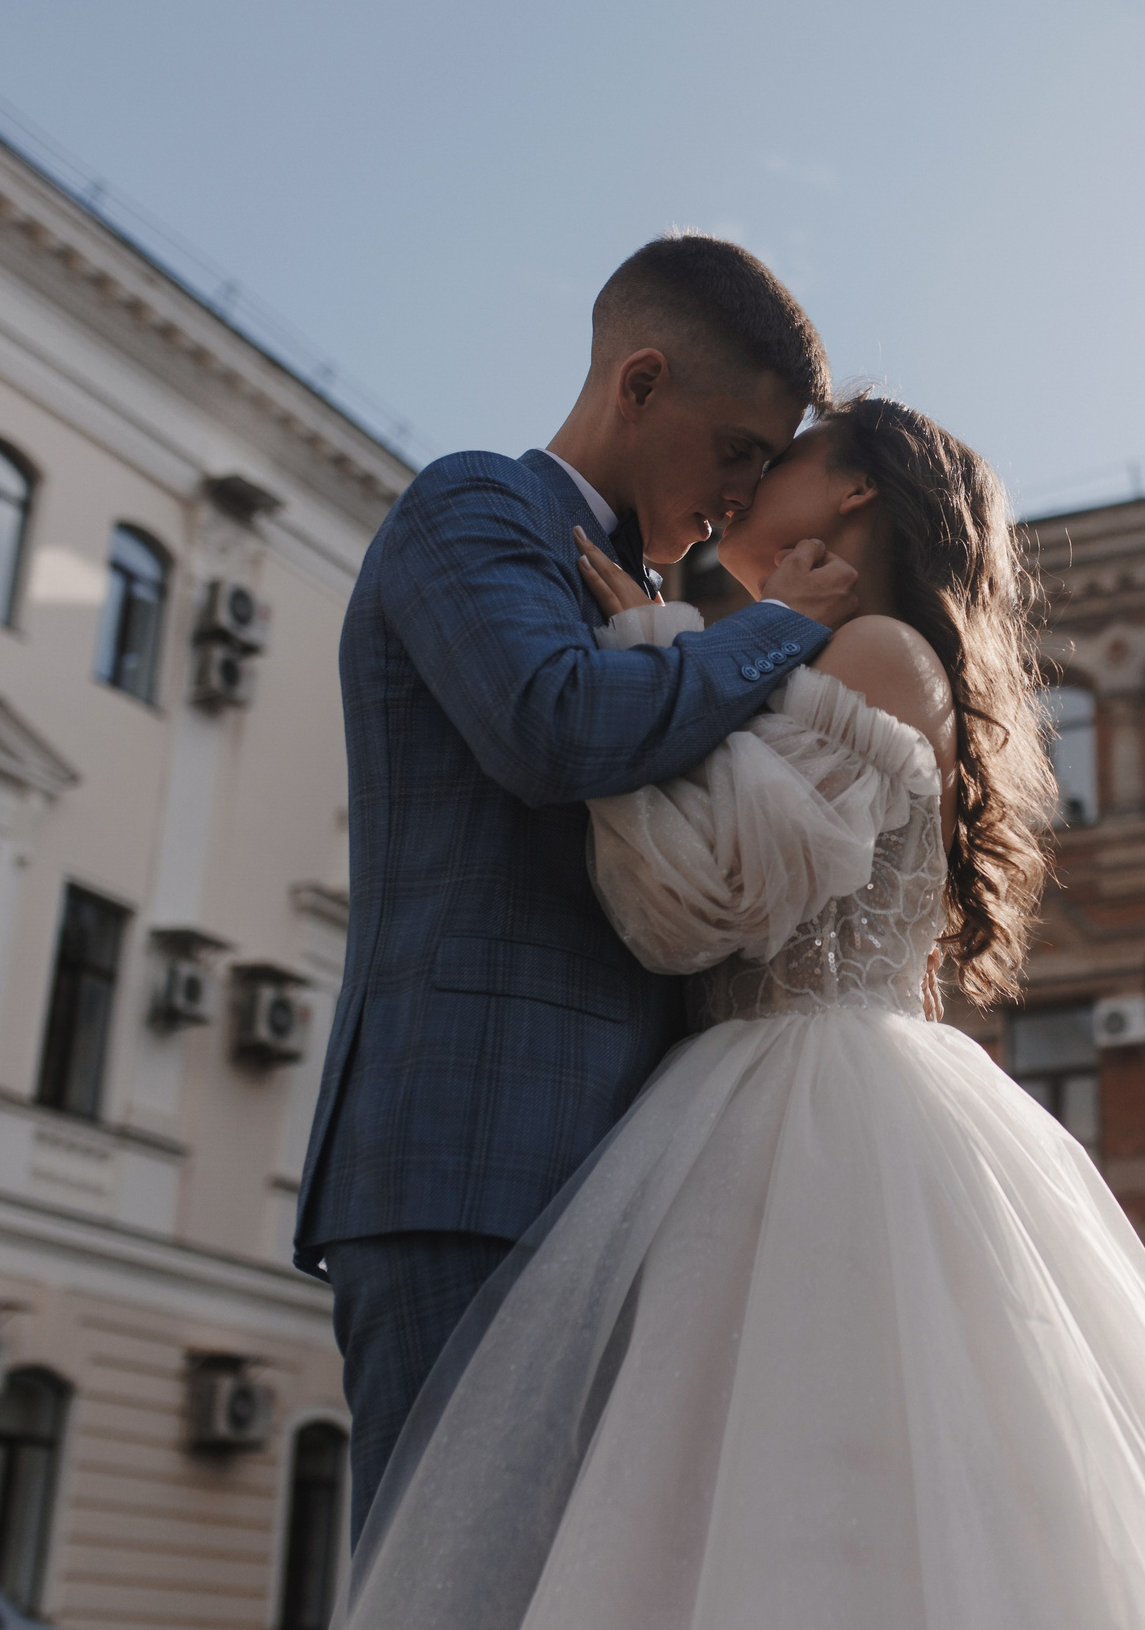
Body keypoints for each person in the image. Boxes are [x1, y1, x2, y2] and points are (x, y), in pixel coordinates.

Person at [345, 398, 1145, 1630]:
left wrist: (650, 646)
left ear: (855, 491)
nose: (744, 485)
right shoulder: (817, 656)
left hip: (811, 1117)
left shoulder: (877, 657)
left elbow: (704, 899)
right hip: (734, 1107)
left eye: (780, 461)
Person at [291, 234, 862, 1537]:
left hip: (626, 1168)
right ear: (641, 380)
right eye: (738, 450)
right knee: (453, 1580)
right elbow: (551, 721)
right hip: (467, 1156)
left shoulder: (658, 606)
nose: (743, 495)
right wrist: (778, 630)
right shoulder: (473, 507)